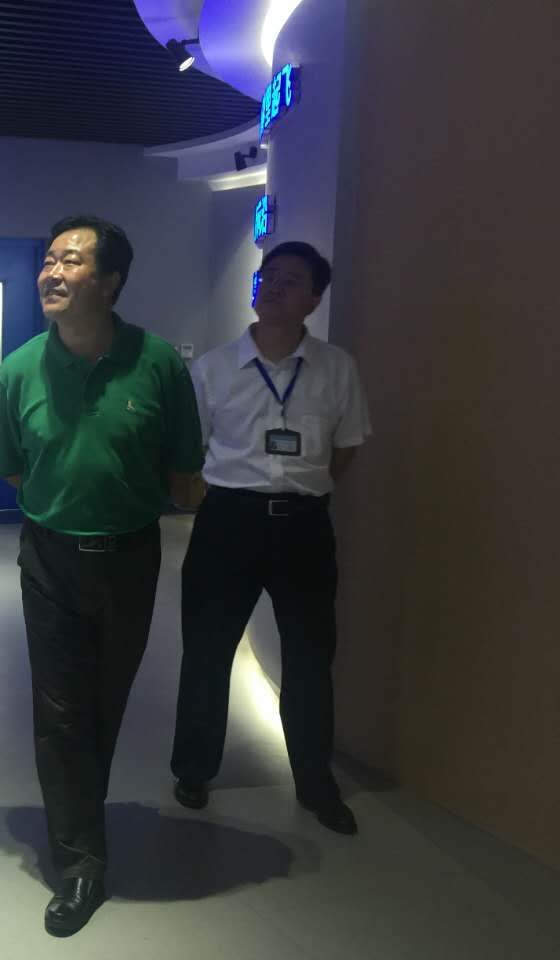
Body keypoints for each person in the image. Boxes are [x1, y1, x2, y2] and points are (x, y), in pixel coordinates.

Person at [0, 215, 204, 937]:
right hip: (48, 557)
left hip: (130, 558)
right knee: (59, 711)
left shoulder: (157, 364)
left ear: (110, 283)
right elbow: (15, 468)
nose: (52, 272)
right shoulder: (19, 368)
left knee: (104, 703)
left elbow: (182, 472)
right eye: (49, 259)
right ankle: (81, 860)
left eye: (72, 261)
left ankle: (82, 817)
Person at [170, 241, 370, 835]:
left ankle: (314, 781)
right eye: (268, 275)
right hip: (228, 523)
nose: (273, 286)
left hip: (304, 527)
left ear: (314, 299)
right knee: (207, 652)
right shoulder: (212, 369)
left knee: (310, 657)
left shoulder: (337, 368)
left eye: (290, 280)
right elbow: (190, 452)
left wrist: (303, 489)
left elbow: (346, 448)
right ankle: (193, 769)